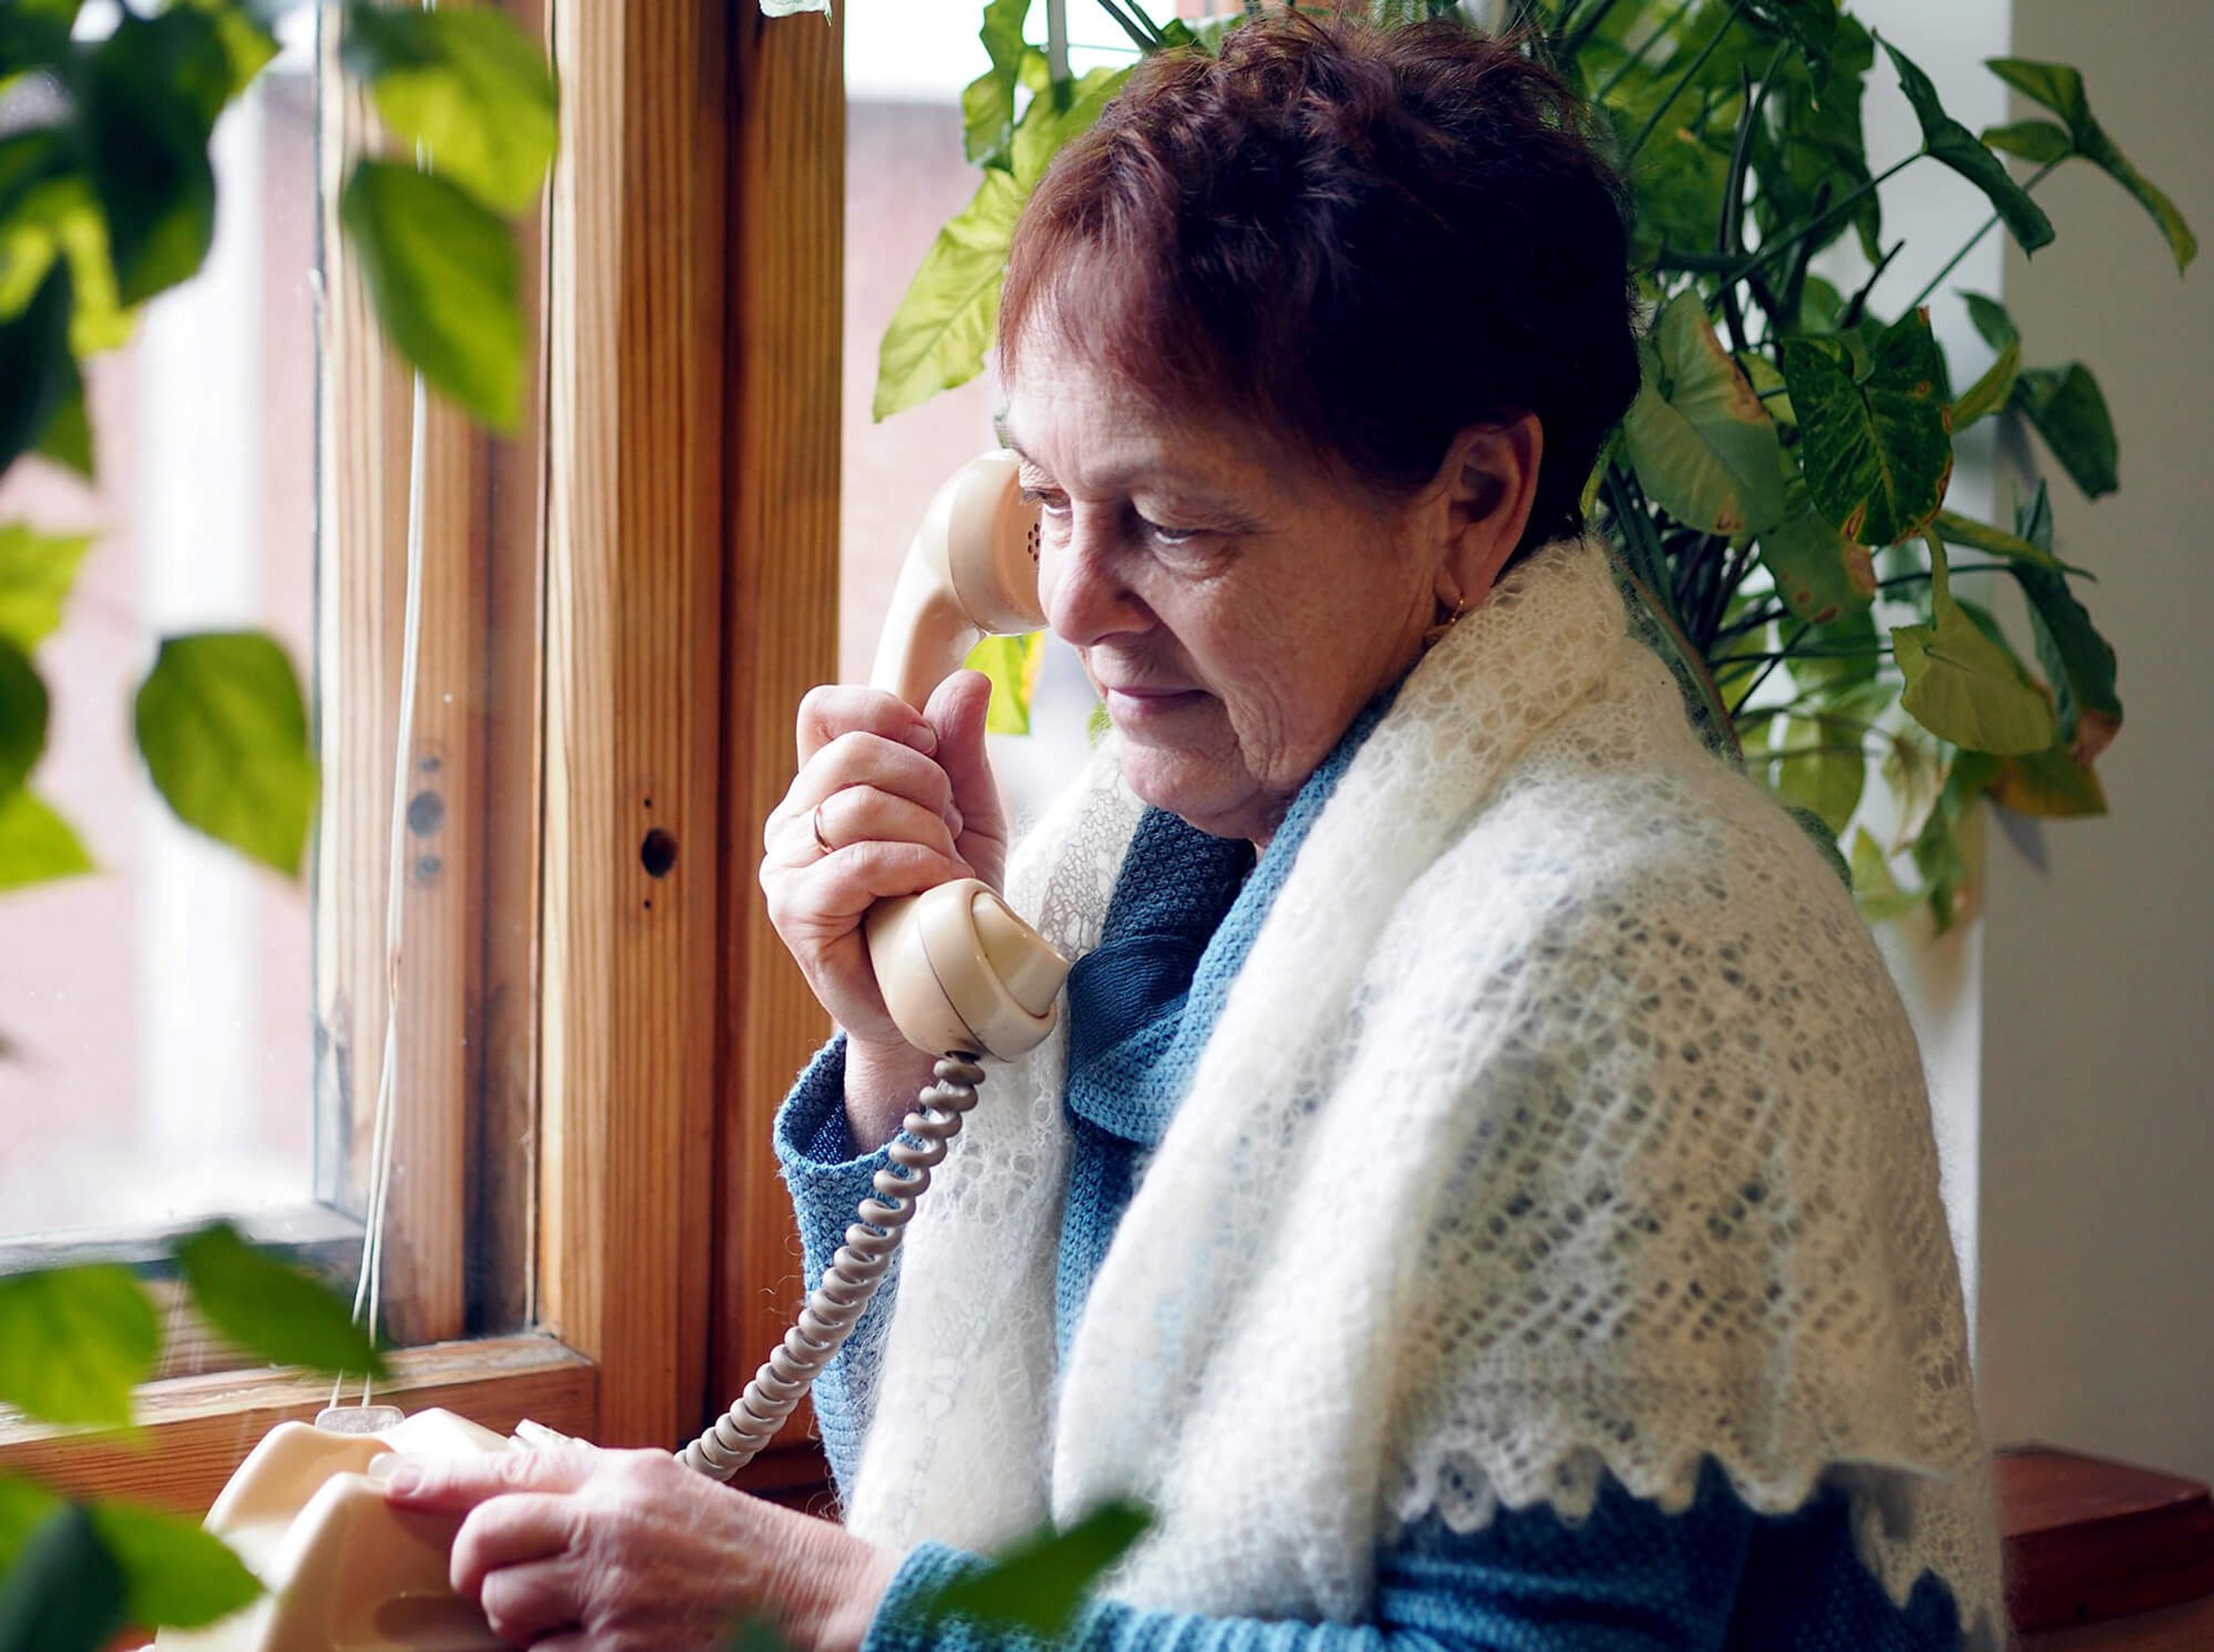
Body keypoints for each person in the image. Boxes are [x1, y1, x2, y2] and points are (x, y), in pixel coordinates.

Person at [381, 15, 2001, 1650]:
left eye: (1168, 520)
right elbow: (958, 1496)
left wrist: (820, 1600)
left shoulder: (1632, 963)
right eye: (1042, 500)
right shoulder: (1128, 898)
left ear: (1473, 504)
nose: (1068, 601)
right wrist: (903, 1050)